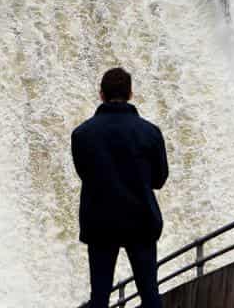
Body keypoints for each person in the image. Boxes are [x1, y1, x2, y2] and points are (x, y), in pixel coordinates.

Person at [71, 67, 169, 308]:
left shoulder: (82, 134)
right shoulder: (150, 132)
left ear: (101, 94)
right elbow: (159, 179)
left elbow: (84, 174)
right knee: (150, 294)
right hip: (141, 222)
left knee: (100, 298)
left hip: (100, 224)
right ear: (131, 94)